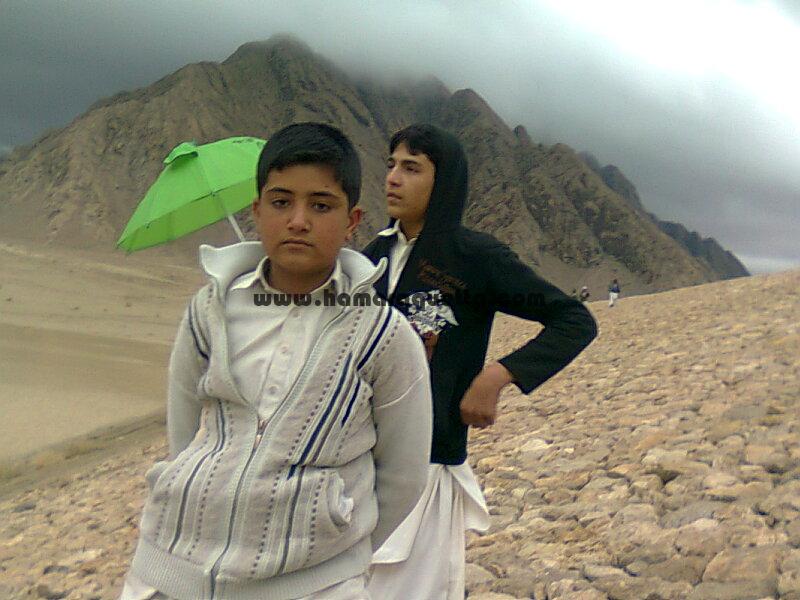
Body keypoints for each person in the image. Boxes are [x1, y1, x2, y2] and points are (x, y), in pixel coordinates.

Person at [119, 123, 433, 600]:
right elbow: (181, 433)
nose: (298, 221)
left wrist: (339, 554)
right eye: (281, 202)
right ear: (257, 211)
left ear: (352, 220)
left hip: (318, 585)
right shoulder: (209, 311)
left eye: (321, 206)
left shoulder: (382, 334)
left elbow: (404, 475)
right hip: (171, 570)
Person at [362, 124, 598, 599]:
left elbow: (574, 320)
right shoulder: (374, 256)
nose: (393, 178)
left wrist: (496, 376)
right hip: (361, 457)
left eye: (411, 168)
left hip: (428, 460)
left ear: (444, 182)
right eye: (391, 165)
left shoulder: (474, 257)